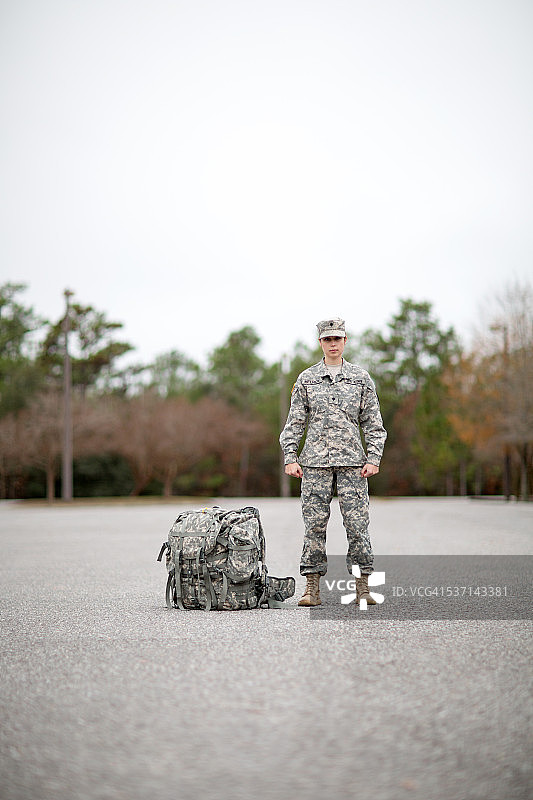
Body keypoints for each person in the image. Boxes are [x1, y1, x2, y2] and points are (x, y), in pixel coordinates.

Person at [279, 318, 387, 607]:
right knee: (314, 526)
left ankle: (362, 587)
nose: (333, 344)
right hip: (315, 465)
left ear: (345, 340)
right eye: (328, 340)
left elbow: (374, 424)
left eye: (337, 338)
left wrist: (374, 457)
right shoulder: (307, 379)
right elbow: (294, 423)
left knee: (357, 525)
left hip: (353, 464)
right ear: (320, 343)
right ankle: (311, 588)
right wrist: (291, 457)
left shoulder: (361, 379)